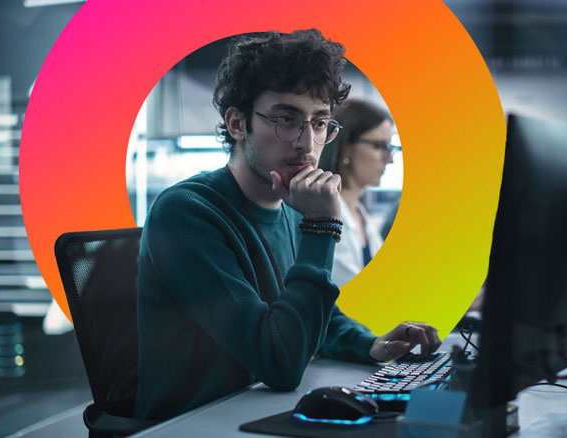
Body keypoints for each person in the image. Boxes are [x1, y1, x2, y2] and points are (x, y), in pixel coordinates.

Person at [134, 30, 441, 421]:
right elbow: (279, 362)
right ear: (237, 124)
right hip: (193, 424)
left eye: (319, 123)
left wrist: (374, 345)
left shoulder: (293, 209)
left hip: (251, 411)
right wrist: (321, 226)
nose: (307, 143)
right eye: (286, 119)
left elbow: (315, 324)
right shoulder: (187, 213)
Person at [317, 99, 395, 287]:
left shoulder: (360, 216)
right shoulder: (325, 215)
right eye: (380, 147)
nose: (390, 159)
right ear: (347, 147)